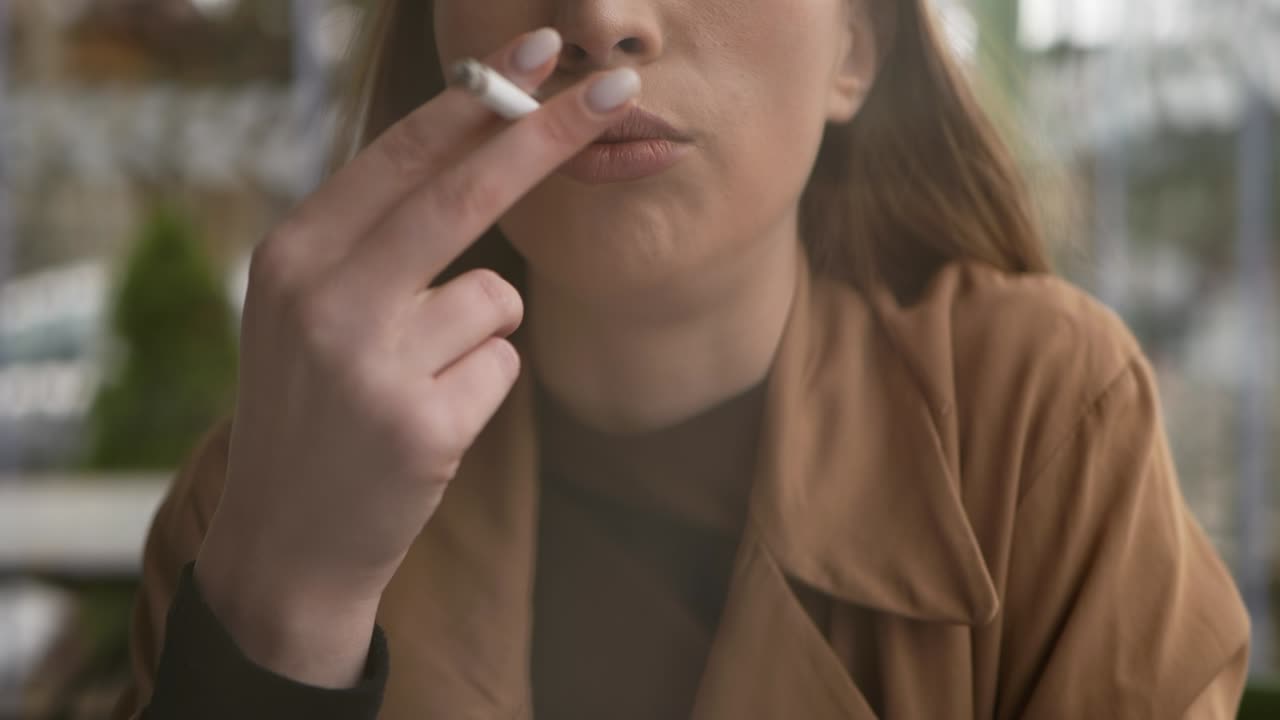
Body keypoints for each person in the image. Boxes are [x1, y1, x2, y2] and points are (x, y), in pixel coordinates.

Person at [112, 1, 1251, 718]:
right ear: (440, 47)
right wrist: (283, 617)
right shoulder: (262, 497)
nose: (604, 20)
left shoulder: (1041, 421)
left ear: (853, 49)